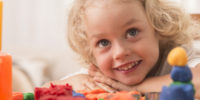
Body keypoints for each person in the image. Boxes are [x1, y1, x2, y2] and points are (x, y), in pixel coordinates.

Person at [44, 0, 200, 98]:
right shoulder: (102, 76)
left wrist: (135, 88)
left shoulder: (179, 57)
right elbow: (43, 90)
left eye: (132, 32)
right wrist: (78, 81)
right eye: (104, 43)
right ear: (90, 50)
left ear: (158, 26)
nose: (119, 52)